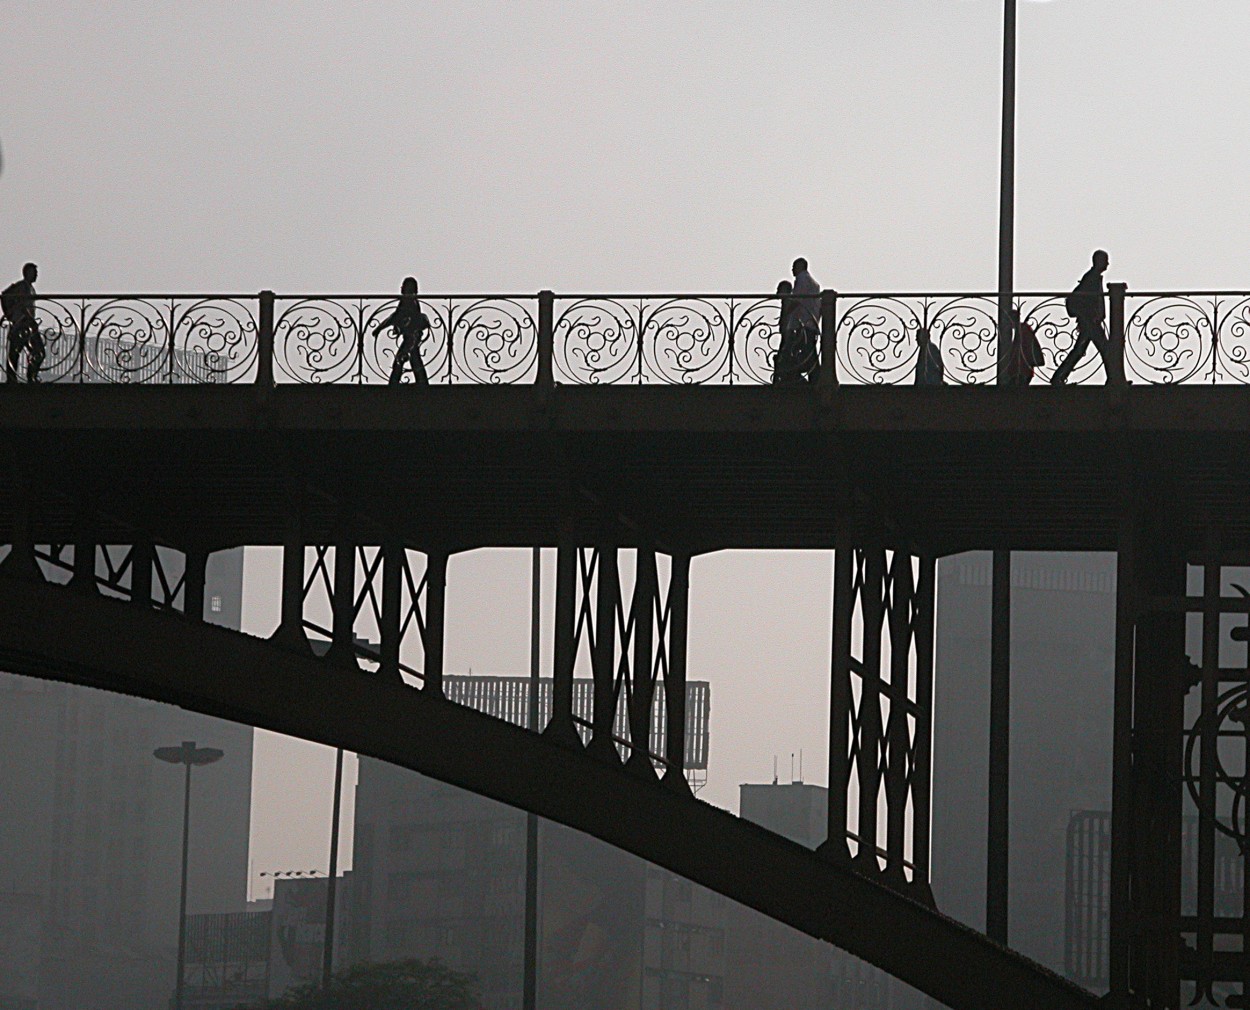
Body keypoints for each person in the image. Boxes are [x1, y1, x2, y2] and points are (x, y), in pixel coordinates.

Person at [1051, 250, 1123, 385]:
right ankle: (1114, 379)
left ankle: (1058, 377)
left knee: (1084, 350)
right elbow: (1087, 299)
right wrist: (1093, 315)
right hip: (1091, 321)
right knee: (1105, 350)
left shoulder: (1091, 277)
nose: (1107, 264)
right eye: (1105, 260)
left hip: (1090, 321)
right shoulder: (1092, 278)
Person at [373, 276, 431, 385]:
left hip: (411, 336)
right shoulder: (413, 301)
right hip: (412, 336)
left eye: (404, 287)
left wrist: (379, 328)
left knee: (402, 360)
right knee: (414, 359)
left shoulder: (408, 301)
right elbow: (397, 316)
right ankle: (422, 382)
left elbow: (395, 316)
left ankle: (394, 383)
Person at [2, 262, 44, 383]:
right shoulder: (21, 287)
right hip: (22, 324)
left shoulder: (30, 288)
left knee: (35, 351)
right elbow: (6, 296)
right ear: (27, 273)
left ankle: (28, 376)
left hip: (26, 324)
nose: (36, 275)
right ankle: (17, 378)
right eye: (34, 273)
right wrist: (10, 314)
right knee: (17, 352)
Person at [789, 257, 821, 383]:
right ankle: (815, 377)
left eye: (794, 267)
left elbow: (798, 299)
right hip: (811, 321)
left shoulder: (802, 279)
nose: (792, 270)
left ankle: (801, 378)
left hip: (803, 322)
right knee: (810, 351)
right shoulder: (813, 282)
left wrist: (788, 311)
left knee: (800, 351)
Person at [1006, 309, 1044, 386]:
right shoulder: (1022, 329)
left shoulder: (1023, 329)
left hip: (1022, 369)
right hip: (1020, 369)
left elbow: (1028, 347)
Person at [771, 280, 799, 384]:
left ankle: (782, 379)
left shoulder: (788, 301)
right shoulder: (788, 301)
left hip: (788, 332)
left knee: (784, 356)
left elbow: (788, 318)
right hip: (787, 332)